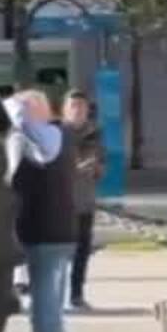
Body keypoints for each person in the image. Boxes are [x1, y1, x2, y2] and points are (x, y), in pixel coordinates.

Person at [4, 89, 76, 332]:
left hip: (46, 236)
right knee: (50, 315)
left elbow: (39, 151)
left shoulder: (45, 138)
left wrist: (16, 113)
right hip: (53, 235)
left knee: (44, 316)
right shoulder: (54, 137)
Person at [61, 90, 105, 310]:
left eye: (81, 106)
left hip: (85, 201)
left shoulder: (95, 134)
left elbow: (102, 166)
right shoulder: (57, 134)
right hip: (61, 203)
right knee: (60, 251)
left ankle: (77, 294)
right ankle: (56, 296)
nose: (78, 110)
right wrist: (76, 168)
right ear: (65, 110)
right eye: (73, 106)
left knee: (81, 252)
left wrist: (96, 168)